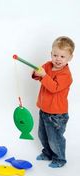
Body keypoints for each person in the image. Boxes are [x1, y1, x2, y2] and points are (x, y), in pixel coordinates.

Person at [32, 36, 75, 168]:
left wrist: (44, 75)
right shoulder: (48, 66)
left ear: (70, 58)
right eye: (55, 55)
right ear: (51, 54)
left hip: (57, 114)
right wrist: (36, 72)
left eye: (62, 57)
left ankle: (59, 158)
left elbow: (54, 87)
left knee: (54, 138)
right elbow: (37, 74)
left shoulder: (66, 75)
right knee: (42, 135)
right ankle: (47, 153)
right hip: (44, 109)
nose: (58, 59)